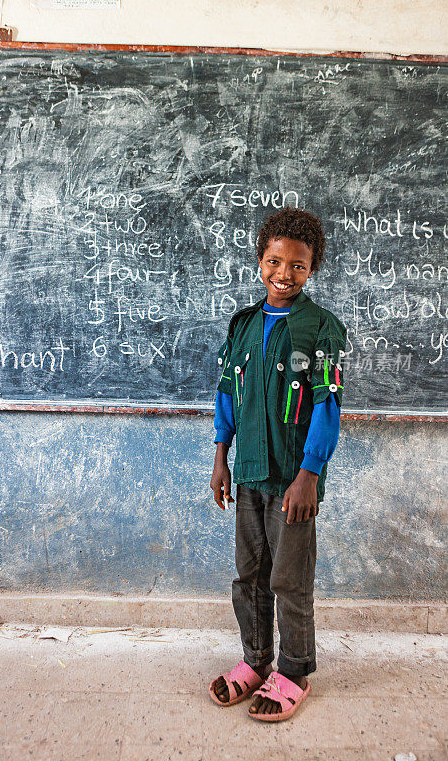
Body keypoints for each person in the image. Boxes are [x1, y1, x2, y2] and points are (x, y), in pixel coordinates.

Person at [208, 206, 347, 722]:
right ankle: (254, 660)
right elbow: (228, 395)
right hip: (247, 474)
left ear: (312, 270)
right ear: (260, 260)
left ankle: (293, 671)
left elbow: (327, 407)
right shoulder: (243, 326)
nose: (283, 275)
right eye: (273, 261)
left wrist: (309, 474)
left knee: (289, 579)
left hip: (293, 481)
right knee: (249, 575)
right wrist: (221, 458)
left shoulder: (320, 329)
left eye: (297, 266)